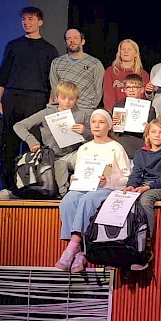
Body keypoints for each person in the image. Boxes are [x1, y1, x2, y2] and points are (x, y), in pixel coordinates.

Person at [55, 109, 131, 273]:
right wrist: (74, 179)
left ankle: (73, 246)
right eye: (94, 122)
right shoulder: (84, 148)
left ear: (109, 126)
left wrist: (108, 181)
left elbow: (127, 177)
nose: (97, 125)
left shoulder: (116, 148)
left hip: (107, 189)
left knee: (88, 199)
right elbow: (80, 172)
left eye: (101, 122)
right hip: (85, 188)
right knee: (68, 200)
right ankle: (80, 253)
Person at [0, 7, 60, 194]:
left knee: (32, 142)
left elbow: (51, 81)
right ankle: (7, 186)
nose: (26, 22)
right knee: (9, 142)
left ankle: (28, 185)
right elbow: (2, 74)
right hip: (12, 97)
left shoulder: (49, 49)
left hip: (36, 99)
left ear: (40, 22)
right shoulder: (13, 45)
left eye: (30, 19)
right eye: (24, 19)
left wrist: (50, 104)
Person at [12, 81, 93, 197]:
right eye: (63, 98)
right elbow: (19, 126)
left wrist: (85, 131)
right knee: (60, 179)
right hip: (52, 157)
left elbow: (95, 137)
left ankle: (85, 191)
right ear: (57, 97)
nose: (67, 102)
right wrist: (31, 141)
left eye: (71, 99)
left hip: (73, 154)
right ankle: (63, 194)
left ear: (77, 99)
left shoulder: (81, 115)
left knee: (88, 156)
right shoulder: (47, 113)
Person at [123, 119, 161, 270]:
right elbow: (136, 174)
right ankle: (123, 245)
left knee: (146, 198)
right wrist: (131, 186)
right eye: (153, 132)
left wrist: (147, 187)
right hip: (144, 185)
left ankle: (146, 243)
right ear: (147, 135)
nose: (157, 135)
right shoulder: (140, 153)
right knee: (123, 199)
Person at [49, 28, 104, 110]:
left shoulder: (95, 64)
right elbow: (55, 88)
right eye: (68, 38)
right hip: (63, 111)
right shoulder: (56, 63)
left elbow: (99, 90)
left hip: (86, 110)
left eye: (75, 38)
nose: (72, 41)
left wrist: (91, 107)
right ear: (65, 43)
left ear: (83, 41)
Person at [112, 74, 157, 160]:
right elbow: (113, 130)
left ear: (142, 89)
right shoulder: (118, 106)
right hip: (121, 143)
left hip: (139, 144)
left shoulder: (149, 109)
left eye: (135, 87)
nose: (131, 90)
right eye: (128, 87)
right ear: (124, 90)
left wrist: (149, 128)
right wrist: (112, 124)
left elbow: (152, 133)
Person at [103, 39, 150, 111]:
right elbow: (108, 97)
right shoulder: (110, 71)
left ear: (136, 54)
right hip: (115, 112)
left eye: (129, 49)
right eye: (123, 49)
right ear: (119, 53)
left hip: (136, 112)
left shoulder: (143, 74)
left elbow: (143, 97)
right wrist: (114, 113)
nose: (126, 51)